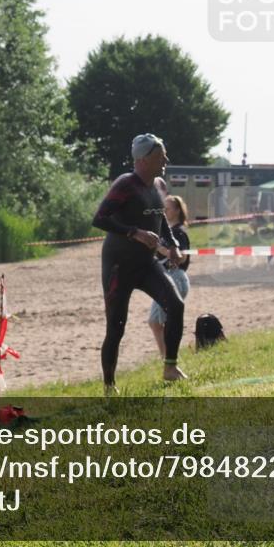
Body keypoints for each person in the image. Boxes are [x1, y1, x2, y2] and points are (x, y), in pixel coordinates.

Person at [93, 133, 186, 393]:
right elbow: (100, 219)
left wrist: (173, 245)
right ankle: (109, 386)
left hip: (146, 264)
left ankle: (170, 367)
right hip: (118, 266)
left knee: (175, 304)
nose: (166, 159)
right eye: (160, 155)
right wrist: (135, 232)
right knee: (116, 327)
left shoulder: (156, 184)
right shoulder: (125, 184)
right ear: (143, 160)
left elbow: (161, 219)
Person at [148, 196, 192, 358]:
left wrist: (161, 249)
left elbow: (182, 258)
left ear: (177, 210)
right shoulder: (165, 230)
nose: (164, 211)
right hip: (165, 277)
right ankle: (166, 357)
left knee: (163, 321)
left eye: (168, 208)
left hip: (175, 277)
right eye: (163, 208)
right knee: (155, 322)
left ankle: (169, 359)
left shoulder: (178, 232)